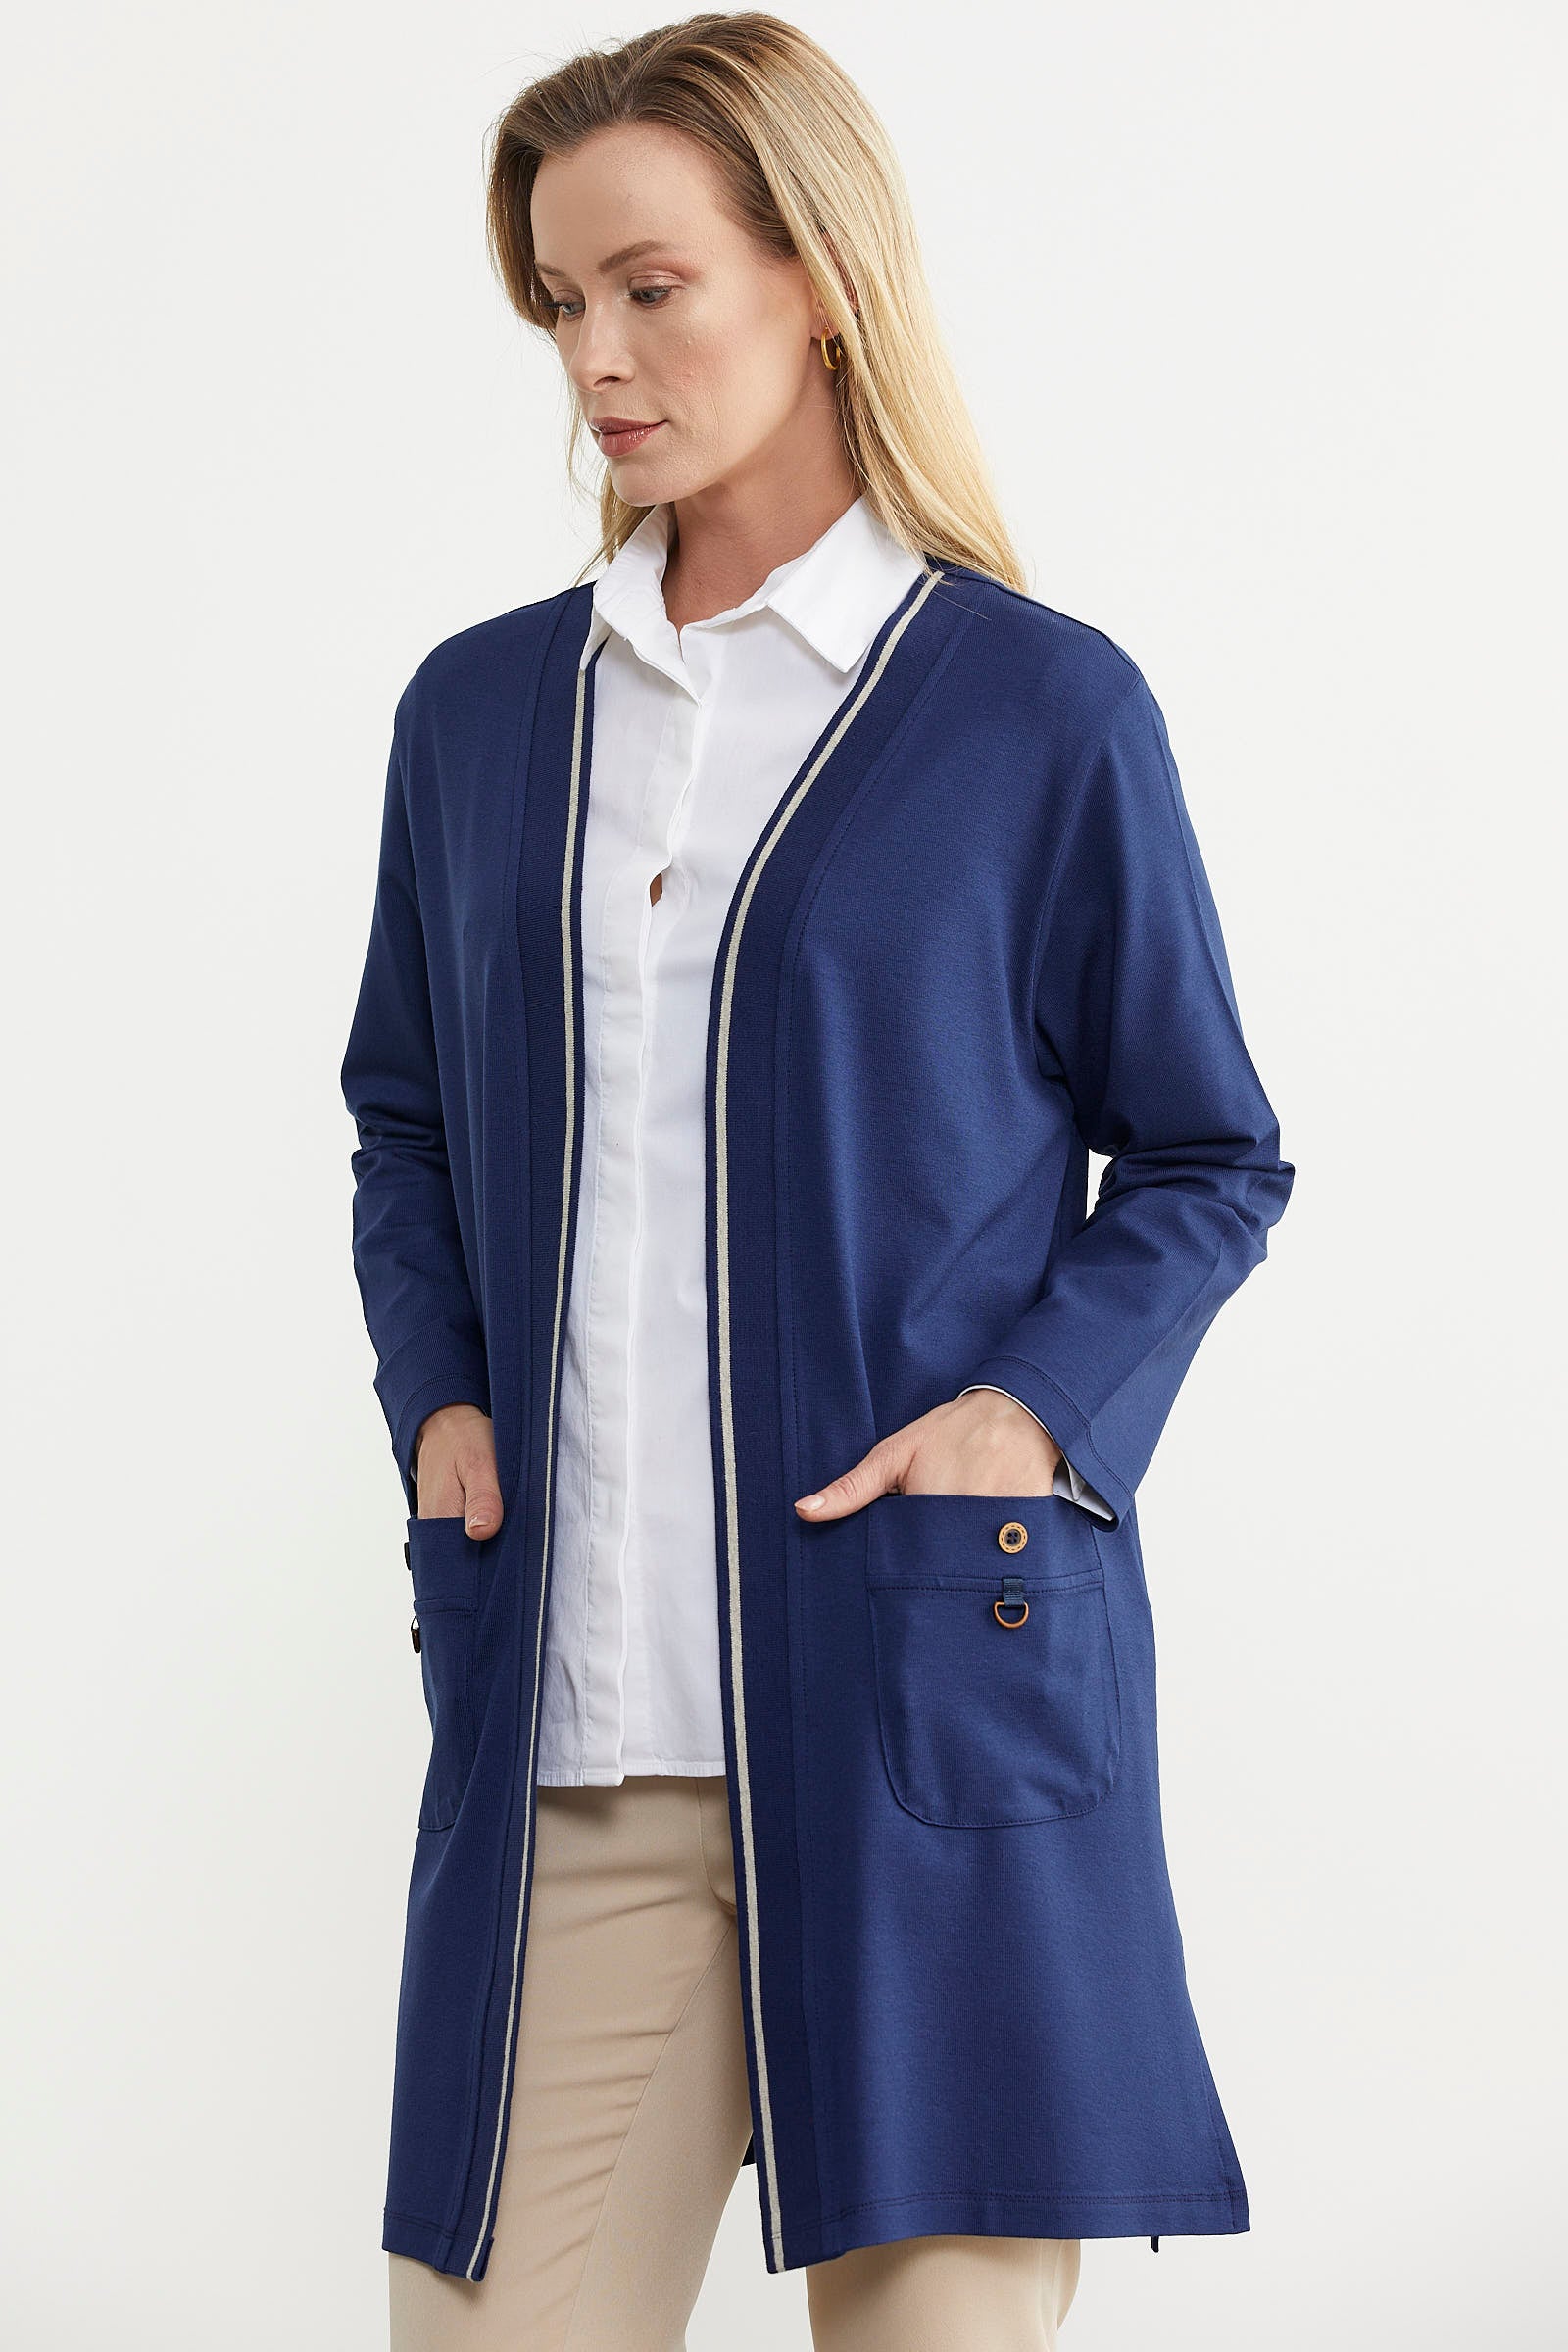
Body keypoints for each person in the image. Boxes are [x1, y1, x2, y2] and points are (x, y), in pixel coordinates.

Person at [339, 14, 1296, 2348]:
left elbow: (1203, 1149)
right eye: (559, 302)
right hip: (586, 1757)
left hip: (923, 1715)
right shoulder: (480, 719)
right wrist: (439, 1397)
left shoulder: (1034, 713)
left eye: (650, 287)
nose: (596, 358)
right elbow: (407, 1117)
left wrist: (1031, 1415)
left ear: (820, 280)